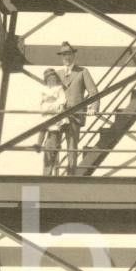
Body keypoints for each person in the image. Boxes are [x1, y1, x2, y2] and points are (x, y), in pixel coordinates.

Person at [55, 42, 99, 175]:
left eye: (68, 54)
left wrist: (93, 108)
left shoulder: (82, 72)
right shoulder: (57, 74)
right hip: (59, 115)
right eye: (64, 55)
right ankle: (54, 174)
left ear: (73, 55)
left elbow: (93, 92)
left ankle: (71, 174)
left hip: (75, 115)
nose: (66, 57)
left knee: (72, 146)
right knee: (55, 144)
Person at [38, 68, 67, 175]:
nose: (52, 81)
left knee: (52, 144)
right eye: (49, 79)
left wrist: (52, 106)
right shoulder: (44, 89)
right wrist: (46, 107)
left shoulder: (59, 89)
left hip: (55, 116)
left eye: (53, 79)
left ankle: (48, 173)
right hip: (47, 115)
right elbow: (41, 103)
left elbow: (62, 101)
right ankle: (38, 144)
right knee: (43, 129)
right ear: (46, 80)